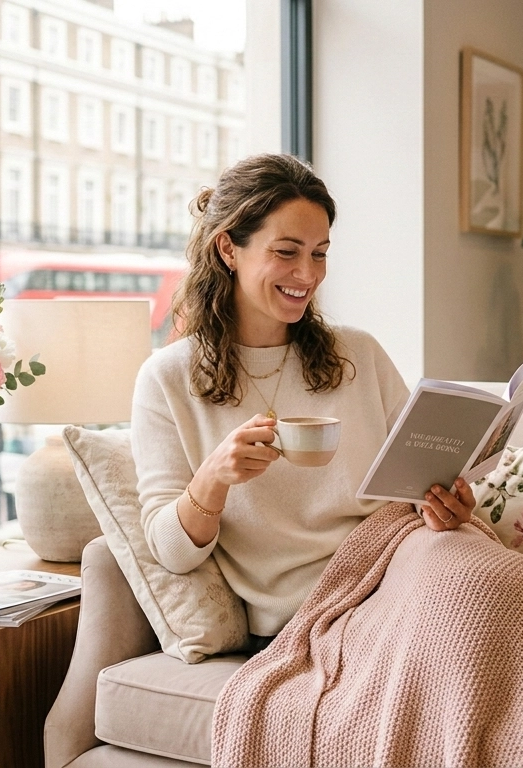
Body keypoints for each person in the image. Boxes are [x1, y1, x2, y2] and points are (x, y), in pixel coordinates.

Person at [131, 153, 476, 649]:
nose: (307, 274)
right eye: (287, 251)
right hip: (315, 611)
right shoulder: (167, 378)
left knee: (507, 591)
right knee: (474, 606)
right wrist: (213, 478)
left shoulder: (358, 353)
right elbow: (170, 552)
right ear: (229, 248)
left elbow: (417, 483)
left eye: (319, 253)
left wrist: (447, 507)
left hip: (405, 563)